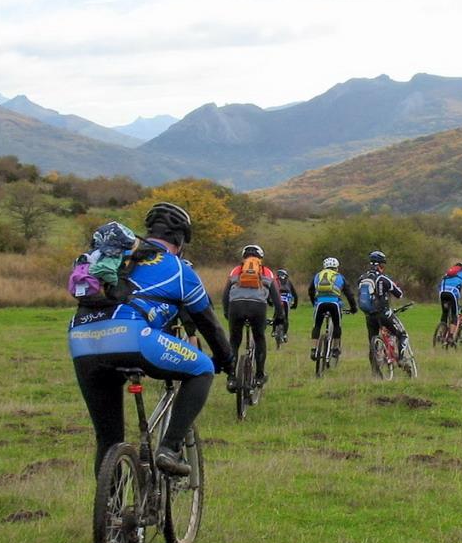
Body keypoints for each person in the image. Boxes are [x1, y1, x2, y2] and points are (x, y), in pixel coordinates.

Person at [68, 203, 233, 477]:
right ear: (180, 240)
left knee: (108, 439)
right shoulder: (179, 268)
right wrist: (226, 360)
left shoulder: (115, 255)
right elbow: (209, 325)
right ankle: (169, 449)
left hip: (81, 339)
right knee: (202, 368)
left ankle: (112, 504)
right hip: (131, 337)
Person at [222, 244, 284, 389]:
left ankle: (231, 378)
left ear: (243, 257)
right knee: (259, 338)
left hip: (236, 306)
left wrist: (226, 312)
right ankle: (259, 376)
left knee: (234, 341)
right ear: (260, 258)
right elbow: (276, 298)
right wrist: (279, 316)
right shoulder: (266, 272)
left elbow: (225, 294)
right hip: (258, 308)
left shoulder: (236, 270)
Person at [358, 250, 409, 367]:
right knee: (402, 335)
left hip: (369, 315)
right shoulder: (383, 278)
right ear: (380, 265)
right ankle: (401, 359)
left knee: (372, 343)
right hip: (383, 313)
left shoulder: (362, 278)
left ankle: (375, 370)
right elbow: (399, 294)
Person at [308, 257, 357, 360]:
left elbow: (311, 290)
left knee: (317, 326)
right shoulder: (339, 277)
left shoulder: (317, 276)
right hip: (334, 304)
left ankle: (314, 349)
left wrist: (314, 303)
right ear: (336, 268)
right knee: (337, 325)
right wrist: (353, 308)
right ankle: (335, 349)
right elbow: (349, 294)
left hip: (320, 304)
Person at [275, 269, 299, 337]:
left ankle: (274, 331)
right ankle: (285, 334)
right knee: (286, 317)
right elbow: (295, 294)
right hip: (286, 301)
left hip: (278, 300)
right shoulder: (288, 282)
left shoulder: (275, 282)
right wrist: (295, 304)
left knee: (275, 315)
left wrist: (270, 302)